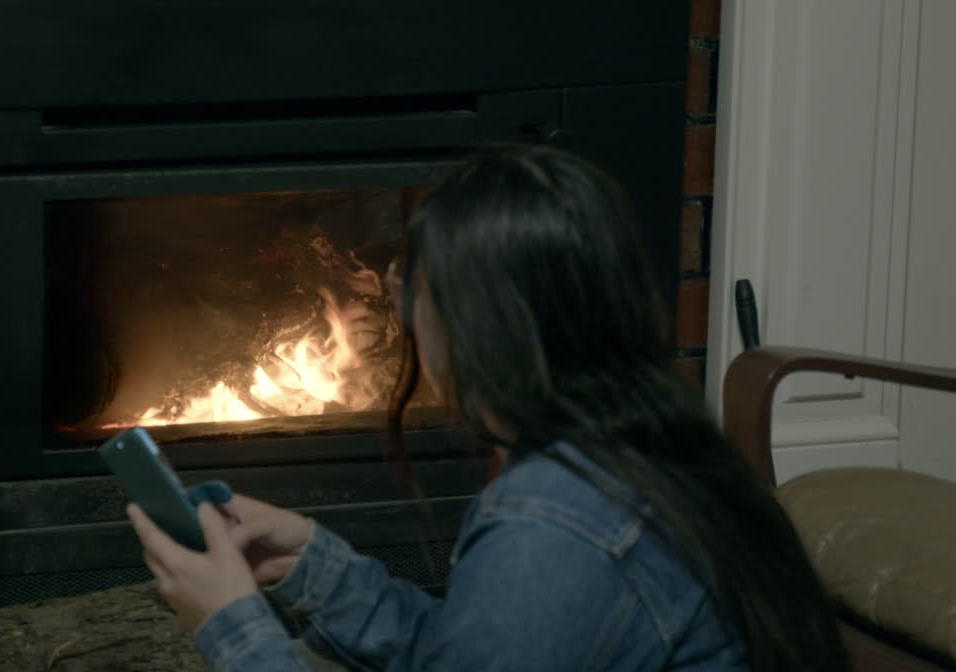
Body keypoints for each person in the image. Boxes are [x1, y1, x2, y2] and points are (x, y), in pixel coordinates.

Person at [127, 145, 849, 671]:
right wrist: (318, 567)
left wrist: (232, 626)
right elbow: (486, 652)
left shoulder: (554, 524)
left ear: (482, 320)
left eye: (415, 285)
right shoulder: (648, 446)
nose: (403, 310)